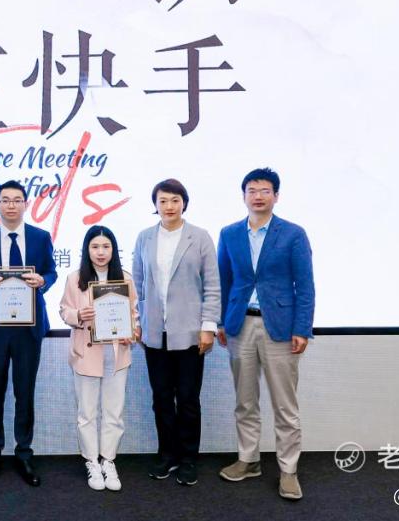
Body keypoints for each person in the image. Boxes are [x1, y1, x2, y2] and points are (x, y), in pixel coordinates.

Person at [216, 168, 314, 501]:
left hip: (281, 328)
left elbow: (305, 285)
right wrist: (220, 322)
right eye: (252, 190)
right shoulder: (229, 233)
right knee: (245, 401)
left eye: (265, 191)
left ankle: (288, 470)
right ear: (243, 195)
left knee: (285, 405)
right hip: (240, 324)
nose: (258, 196)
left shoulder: (293, 234)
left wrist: (302, 328)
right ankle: (249, 460)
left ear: (276, 196)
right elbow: (224, 281)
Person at [132, 178, 221, 487]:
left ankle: (188, 458)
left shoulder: (200, 237)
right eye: (163, 201)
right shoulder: (144, 237)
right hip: (155, 332)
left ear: (184, 203)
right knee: (160, 398)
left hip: (190, 333)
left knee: (187, 399)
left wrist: (208, 327)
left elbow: (212, 285)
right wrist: (137, 320)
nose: (169, 206)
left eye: (174, 200)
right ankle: (166, 455)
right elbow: (138, 284)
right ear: (155, 205)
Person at [0, 180, 57, 488]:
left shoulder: (40, 237)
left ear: (25, 204)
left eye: (17, 200)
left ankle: (24, 452)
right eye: (5, 200)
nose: (11, 205)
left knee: (25, 392)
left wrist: (43, 281)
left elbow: (51, 271)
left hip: (27, 327)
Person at [59, 225, 139, 492]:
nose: (101, 252)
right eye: (95, 247)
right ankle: (91, 461)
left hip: (116, 354)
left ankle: (108, 460)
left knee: (114, 412)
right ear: (87, 250)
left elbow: (134, 314)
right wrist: (78, 315)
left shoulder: (125, 279)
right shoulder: (75, 278)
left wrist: (132, 331)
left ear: (114, 250)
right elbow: (64, 310)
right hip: (87, 353)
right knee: (87, 413)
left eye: (106, 246)